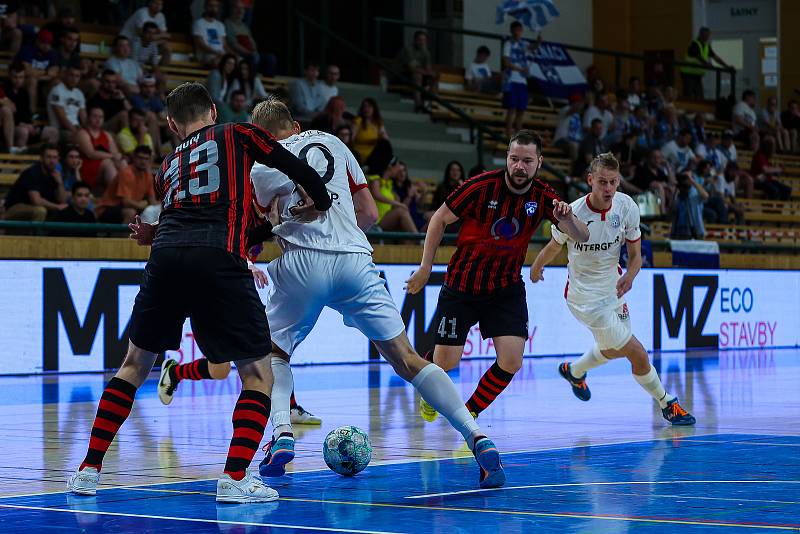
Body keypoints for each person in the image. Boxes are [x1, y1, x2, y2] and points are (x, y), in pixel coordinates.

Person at [161, 98, 507, 490]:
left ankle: (282, 434)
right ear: (293, 124)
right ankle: (476, 435)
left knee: (271, 354)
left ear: (260, 134)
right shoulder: (335, 143)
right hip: (355, 261)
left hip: (302, 262)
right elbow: (371, 213)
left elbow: (258, 224)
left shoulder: (260, 165)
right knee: (408, 359)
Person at [66, 82, 333, 503]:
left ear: (172, 123)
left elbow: (182, 214)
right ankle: (235, 477)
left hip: (166, 258)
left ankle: (87, 470)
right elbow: (294, 165)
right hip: (219, 257)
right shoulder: (236, 134)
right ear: (213, 109)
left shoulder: (168, 164)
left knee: (133, 366)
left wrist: (155, 231)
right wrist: (318, 201)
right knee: (258, 373)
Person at [405, 130, 590, 420]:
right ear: (507, 158)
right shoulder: (480, 186)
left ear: (539, 162)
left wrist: (567, 217)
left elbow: (583, 235)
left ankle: (470, 414)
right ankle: (429, 384)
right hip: (462, 285)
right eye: (514, 159)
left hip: (505, 289)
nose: (520, 166)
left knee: (512, 361)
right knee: (445, 362)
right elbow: (439, 219)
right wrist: (426, 267)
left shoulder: (544, 196)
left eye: (527, 161)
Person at [530, 152, 696, 425]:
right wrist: (536, 267)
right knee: (636, 352)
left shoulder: (627, 207)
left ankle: (575, 371)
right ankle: (667, 403)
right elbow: (553, 246)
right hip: (585, 300)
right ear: (590, 180)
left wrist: (630, 276)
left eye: (613, 182)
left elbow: (635, 256)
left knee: (617, 348)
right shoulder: (574, 212)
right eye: (602, 182)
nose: (608, 188)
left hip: (613, 290)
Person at [96, 145, 159, 224]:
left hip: (131, 207)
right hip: (108, 208)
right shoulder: (126, 172)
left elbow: (152, 200)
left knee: (156, 212)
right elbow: (125, 202)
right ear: (134, 158)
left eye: (146, 159)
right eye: (140, 158)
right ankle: (123, 237)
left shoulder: (148, 176)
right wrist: (142, 206)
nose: (143, 161)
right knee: (130, 212)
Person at [4, 143, 67, 221]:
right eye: (49, 157)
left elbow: (63, 201)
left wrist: (60, 183)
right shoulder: (32, 172)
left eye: (55, 157)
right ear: (41, 158)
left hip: (34, 207)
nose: (52, 161)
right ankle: (36, 233)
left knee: (65, 212)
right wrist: (57, 206)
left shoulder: (55, 174)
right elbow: (36, 201)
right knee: (40, 211)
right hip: (14, 207)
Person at [76, 106, 127, 192]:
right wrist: (111, 156)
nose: (98, 119)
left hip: (103, 164)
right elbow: (91, 154)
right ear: (88, 118)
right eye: (95, 116)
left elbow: (115, 153)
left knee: (122, 162)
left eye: (100, 117)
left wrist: (118, 158)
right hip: (87, 166)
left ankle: (127, 193)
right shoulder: (83, 133)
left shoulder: (106, 135)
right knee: (108, 163)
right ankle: (115, 194)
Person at [368, 155, 418, 233]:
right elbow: (377, 195)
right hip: (376, 220)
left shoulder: (390, 184)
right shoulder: (376, 179)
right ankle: (418, 239)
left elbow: (398, 205)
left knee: (403, 220)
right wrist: (397, 204)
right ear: (390, 167)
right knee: (401, 211)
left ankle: (416, 242)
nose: (398, 170)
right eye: (397, 167)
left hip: (387, 218)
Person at [679, 26, 730, 100]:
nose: (706, 37)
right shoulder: (694, 44)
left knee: (699, 96)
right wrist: (706, 64)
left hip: (697, 75)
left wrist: (726, 66)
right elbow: (698, 56)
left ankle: (699, 111)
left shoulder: (706, 46)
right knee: (688, 96)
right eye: (705, 35)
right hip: (688, 74)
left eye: (708, 35)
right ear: (700, 34)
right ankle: (688, 110)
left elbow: (716, 57)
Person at [501, 21, 531, 138]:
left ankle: (518, 136)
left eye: (520, 30)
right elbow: (506, 62)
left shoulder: (524, 44)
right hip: (512, 80)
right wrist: (520, 69)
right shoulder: (508, 44)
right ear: (512, 31)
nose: (518, 32)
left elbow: (533, 47)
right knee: (512, 109)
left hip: (522, 81)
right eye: (516, 30)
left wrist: (539, 41)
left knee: (521, 110)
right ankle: (508, 135)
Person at [398, 30, 438, 112]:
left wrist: (432, 74)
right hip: (401, 76)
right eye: (420, 40)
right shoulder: (408, 50)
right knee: (417, 75)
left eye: (424, 40)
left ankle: (431, 105)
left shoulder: (426, 52)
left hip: (417, 75)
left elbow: (428, 69)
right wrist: (426, 72)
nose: (422, 42)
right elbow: (412, 68)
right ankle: (418, 105)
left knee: (434, 77)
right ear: (415, 40)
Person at [46, 65, 86, 144]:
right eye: (71, 75)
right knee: (82, 140)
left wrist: (89, 132)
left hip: (76, 128)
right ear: (65, 75)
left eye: (77, 76)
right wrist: (79, 134)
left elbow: (84, 118)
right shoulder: (57, 90)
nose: (74, 79)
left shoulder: (79, 93)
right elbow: (62, 118)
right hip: (60, 129)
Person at [192, 0, 231, 67]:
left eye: (216, 6)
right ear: (205, 7)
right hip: (207, 54)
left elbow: (224, 45)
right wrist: (216, 52)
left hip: (221, 54)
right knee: (219, 61)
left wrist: (232, 54)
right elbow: (201, 44)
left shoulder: (220, 25)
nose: (213, 8)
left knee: (238, 60)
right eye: (211, 6)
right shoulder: (199, 23)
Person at [352, 97, 389, 164]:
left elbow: (386, 139)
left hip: (373, 154)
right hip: (359, 153)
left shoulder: (378, 122)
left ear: (374, 109)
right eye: (365, 106)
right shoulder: (358, 121)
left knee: (385, 145)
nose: (366, 109)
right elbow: (351, 139)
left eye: (369, 106)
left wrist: (380, 132)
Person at [225, 0, 259, 68]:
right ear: (232, 9)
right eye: (237, 8)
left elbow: (252, 41)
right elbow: (233, 43)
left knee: (270, 59)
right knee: (254, 57)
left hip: (250, 53)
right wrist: (249, 53)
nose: (240, 11)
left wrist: (254, 50)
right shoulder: (227, 24)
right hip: (240, 53)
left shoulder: (245, 26)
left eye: (242, 8)